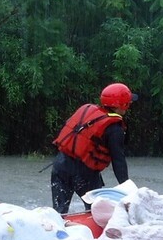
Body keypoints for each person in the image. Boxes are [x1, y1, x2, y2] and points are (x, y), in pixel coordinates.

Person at [50, 83, 134, 214]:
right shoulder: (115, 129)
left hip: (60, 166)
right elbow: (118, 161)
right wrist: (128, 189)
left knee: (59, 213)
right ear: (123, 105)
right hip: (84, 175)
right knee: (96, 213)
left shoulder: (87, 110)